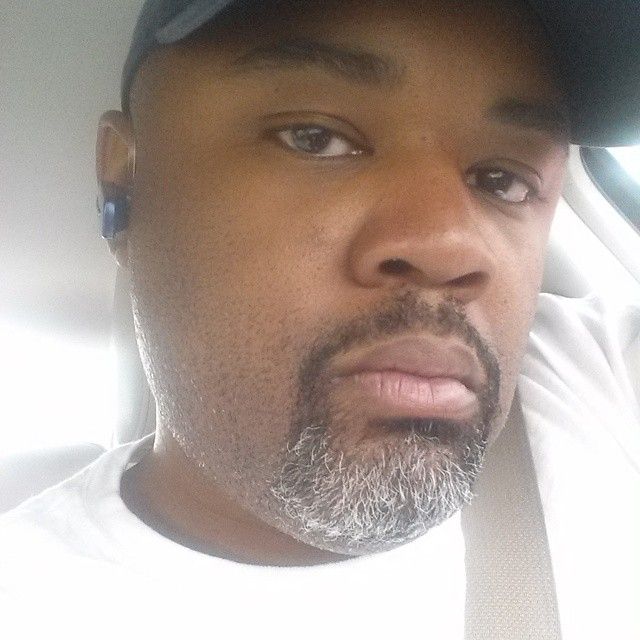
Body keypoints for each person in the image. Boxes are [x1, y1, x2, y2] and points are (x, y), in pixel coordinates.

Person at [0, 0, 638, 638]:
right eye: (315, 138)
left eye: (502, 180)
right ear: (123, 182)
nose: (449, 249)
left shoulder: (601, 379)